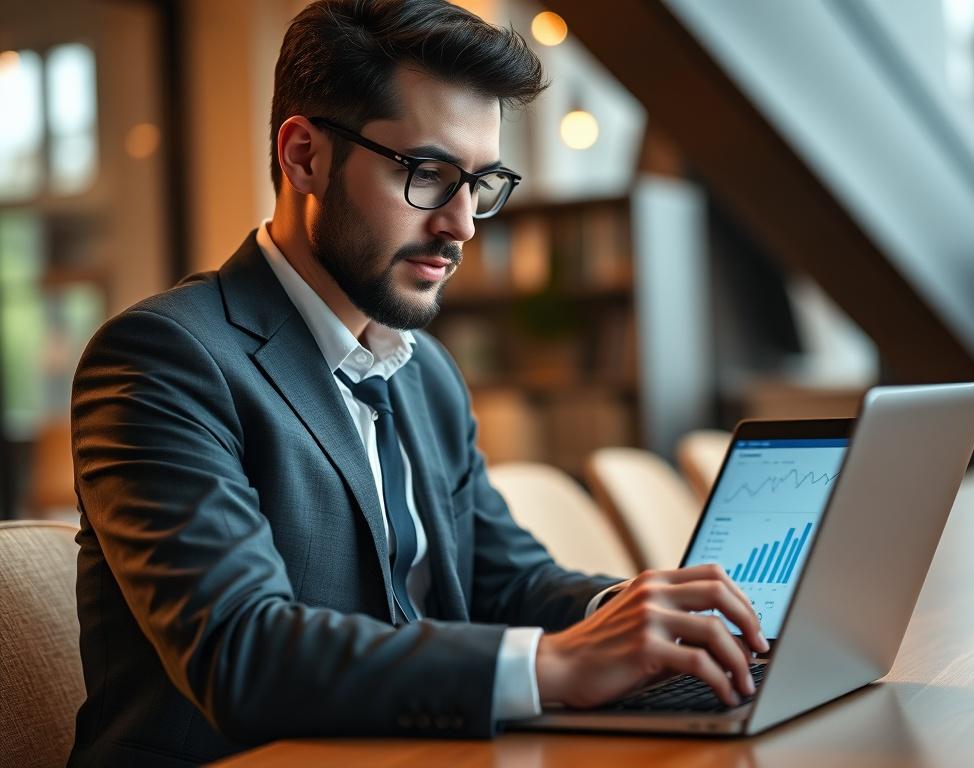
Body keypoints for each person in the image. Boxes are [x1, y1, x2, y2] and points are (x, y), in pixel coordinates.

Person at [68, 1, 768, 765]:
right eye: (429, 174)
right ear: (304, 156)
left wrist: (634, 617)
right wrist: (556, 665)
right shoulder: (163, 359)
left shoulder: (423, 371)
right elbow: (242, 650)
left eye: (482, 182)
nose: (463, 223)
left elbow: (505, 581)